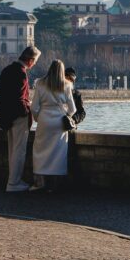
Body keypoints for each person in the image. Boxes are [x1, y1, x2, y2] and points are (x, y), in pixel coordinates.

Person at [0, 45, 41, 192]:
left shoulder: (7, 70)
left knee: (12, 150)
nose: (34, 64)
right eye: (35, 61)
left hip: (6, 116)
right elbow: (20, 98)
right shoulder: (21, 74)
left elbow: (0, 96)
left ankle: (12, 180)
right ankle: (14, 183)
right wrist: (27, 111)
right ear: (30, 60)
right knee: (19, 151)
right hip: (18, 117)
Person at [30, 59, 76, 191]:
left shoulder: (40, 83)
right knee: (58, 153)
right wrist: (66, 116)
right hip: (59, 122)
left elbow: (34, 107)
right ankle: (54, 185)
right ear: (62, 71)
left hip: (44, 120)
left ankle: (39, 183)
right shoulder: (67, 85)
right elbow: (73, 109)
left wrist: (38, 118)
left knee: (40, 150)